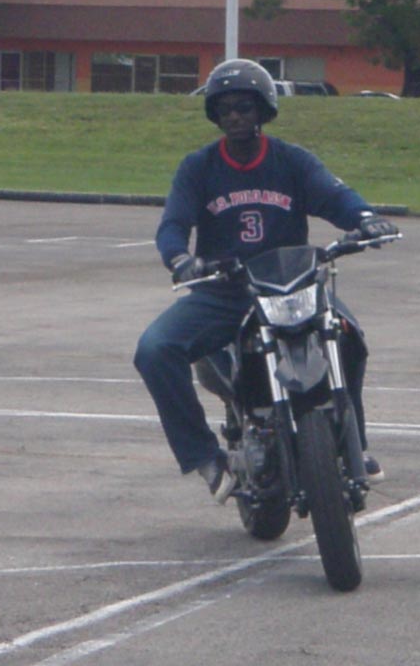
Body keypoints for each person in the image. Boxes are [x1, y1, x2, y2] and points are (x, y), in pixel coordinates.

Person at [133, 58, 399, 503]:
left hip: (295, 285)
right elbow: (173, 224)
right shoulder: (198, 167)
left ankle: (355, 445)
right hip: (227, 291)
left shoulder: (292, 161)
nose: (235, 117)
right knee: (154, 349)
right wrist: (180, 259)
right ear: (214, 115)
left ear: (263, 109)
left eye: (244, 107)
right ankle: (205, 458)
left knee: (349, 335)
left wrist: (366, 219)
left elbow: (335, 196)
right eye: (225, 109)